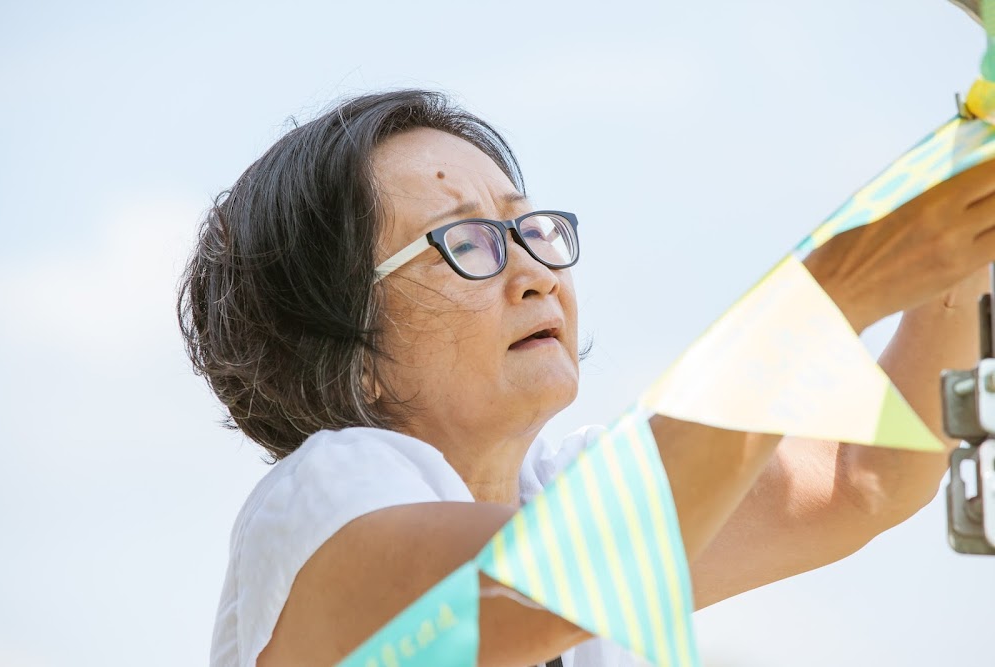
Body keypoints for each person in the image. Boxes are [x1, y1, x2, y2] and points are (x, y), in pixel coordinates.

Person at [179, 89, 995, 667]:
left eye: (525, 226)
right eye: (464, 240)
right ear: (346, 343)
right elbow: (550, 585)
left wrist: (962, 235)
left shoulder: (574, 496)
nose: (534, 270)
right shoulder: (317, 505)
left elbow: (865, 475)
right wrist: (827, 291)